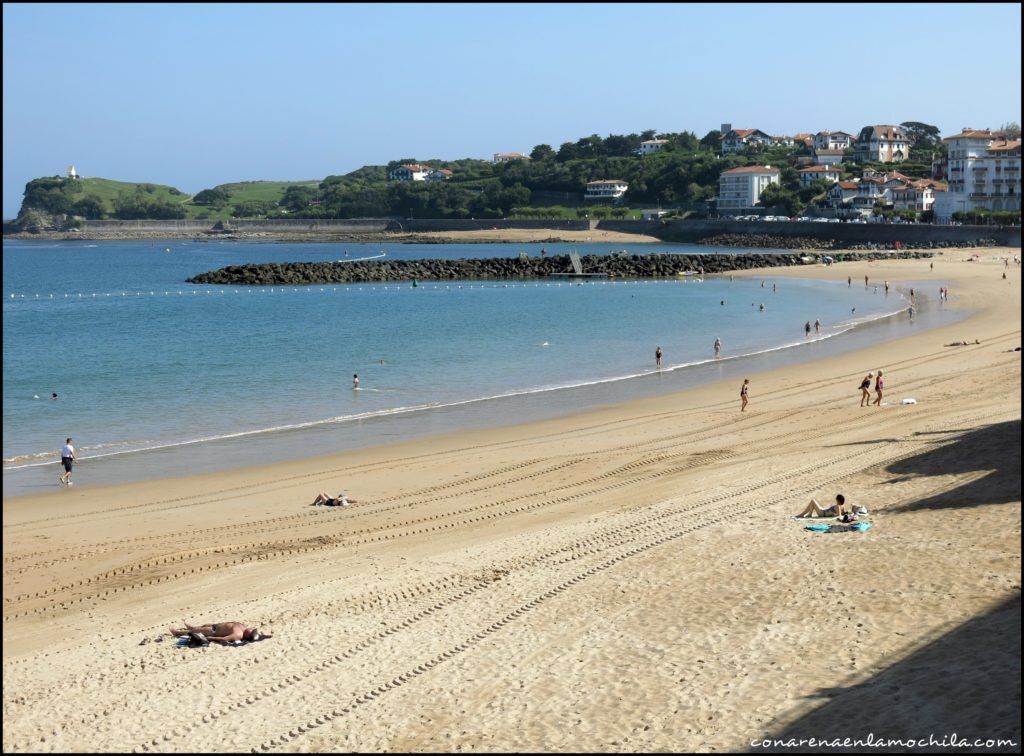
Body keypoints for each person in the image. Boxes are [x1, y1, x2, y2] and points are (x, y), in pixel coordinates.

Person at [169, 621, 265, 644]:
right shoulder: (243, 628)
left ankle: (176, 633)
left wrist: (210, 638)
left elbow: (224, 639)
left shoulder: (238, 635)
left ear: (248, 635)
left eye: (252, 631)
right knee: (201, 626)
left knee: (193, 631)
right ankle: (192, 627)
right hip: (217, 626)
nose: (252, 628)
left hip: (213, 632)